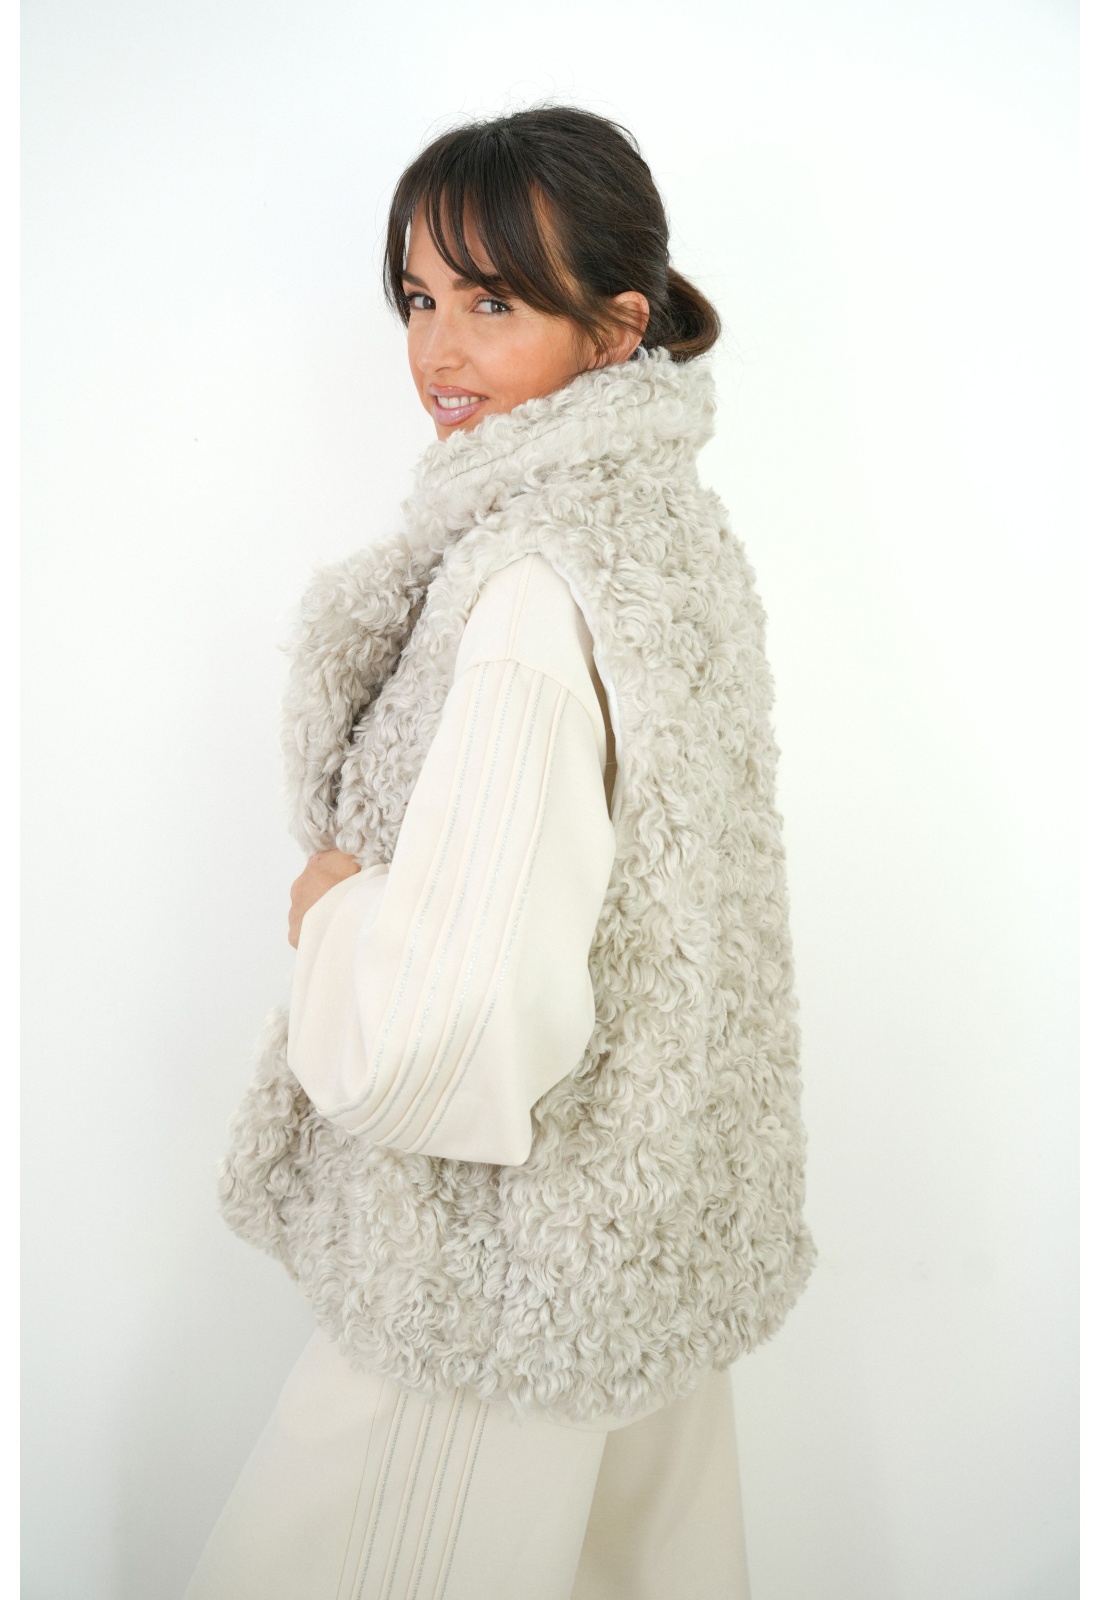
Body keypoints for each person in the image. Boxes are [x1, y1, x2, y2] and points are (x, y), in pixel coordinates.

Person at [188, 105, 815, 1600]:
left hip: (495, 1286)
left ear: (616, 327)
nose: (439, 351)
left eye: (493, 302)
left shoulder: (531, 584)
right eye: (419, 298)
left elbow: (457, 1027)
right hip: (637, 1246)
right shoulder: (666, 538)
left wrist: (339, 915)